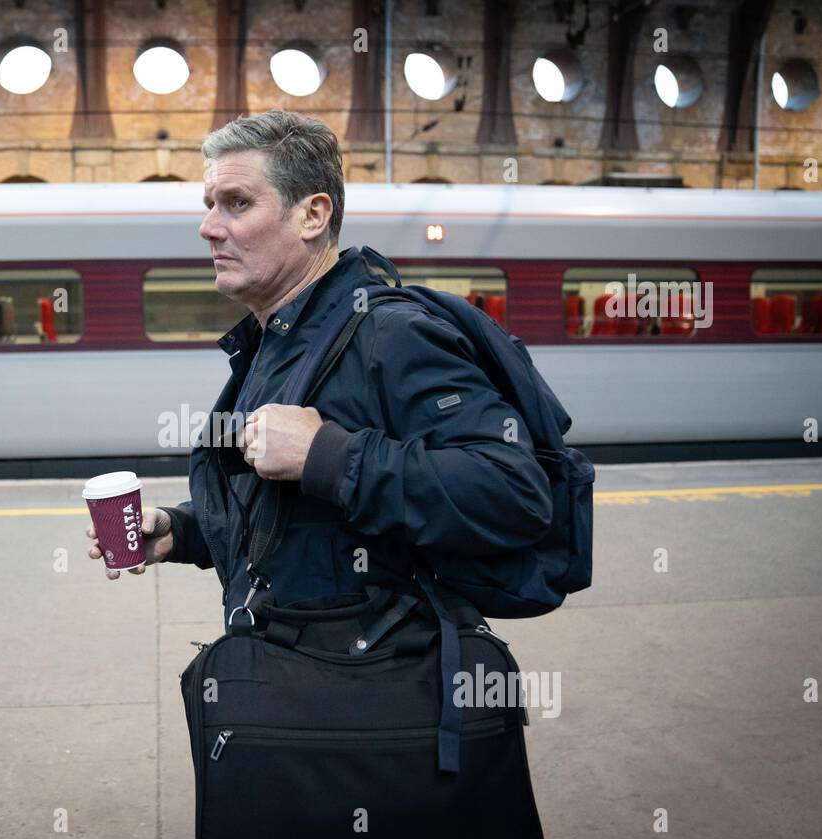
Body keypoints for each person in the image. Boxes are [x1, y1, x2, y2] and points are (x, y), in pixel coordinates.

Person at [87, 108, 553, 628]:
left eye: (236, 204)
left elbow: (516, 492)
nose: (208, 228)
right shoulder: (277, 339)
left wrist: (326, 453)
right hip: (300, 677)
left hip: (378, 689)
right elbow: (288, 508)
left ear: (312, 215)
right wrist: (183, 530)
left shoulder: (390, 335)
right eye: (210, 205)